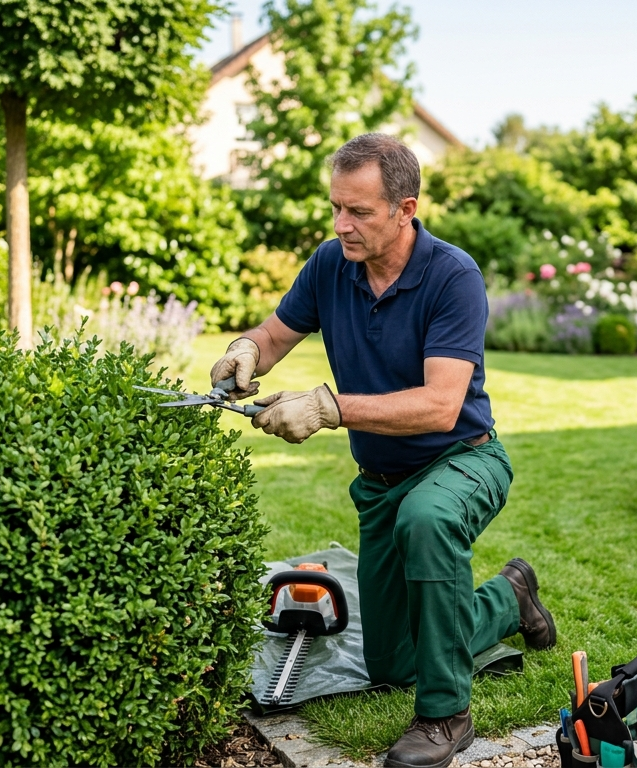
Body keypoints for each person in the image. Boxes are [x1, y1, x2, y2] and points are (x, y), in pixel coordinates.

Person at [209, 133, 555, 768]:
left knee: (428, 518)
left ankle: (447, 715)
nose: (343, 224)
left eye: (360, 211)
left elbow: (439, 404)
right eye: (337, 208)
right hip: (381, 478)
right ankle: (510, 597)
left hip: (462, 460)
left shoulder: (453, 276)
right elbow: (275, 332)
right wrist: (246, 350)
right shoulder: (330, 264)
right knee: (393, 662)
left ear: (406, 208)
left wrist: (327, 407)